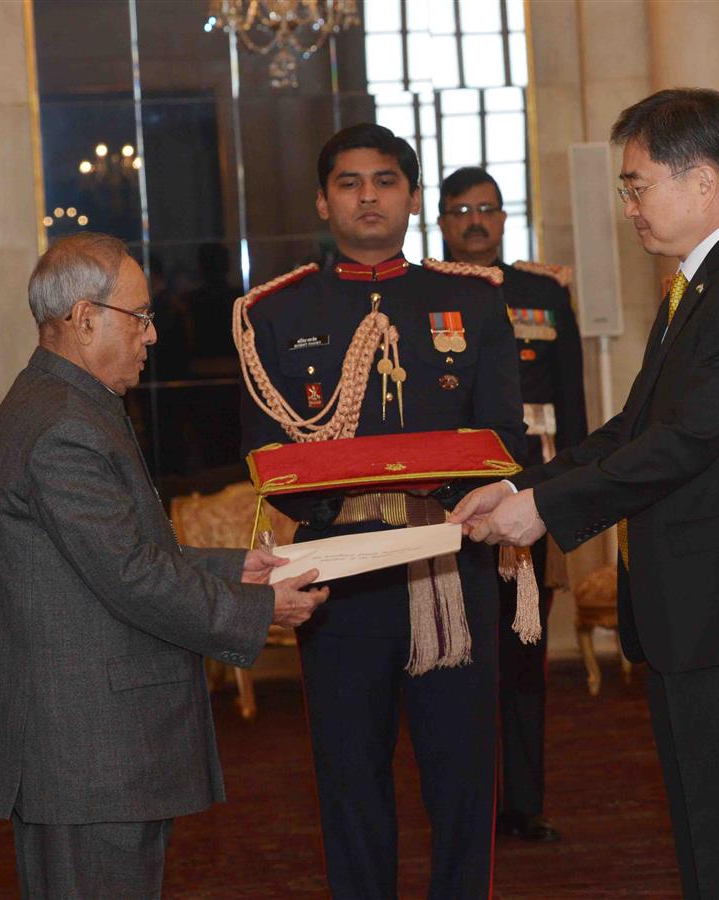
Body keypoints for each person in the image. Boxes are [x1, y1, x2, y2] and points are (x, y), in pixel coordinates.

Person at [451, 88, 719, 898]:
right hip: (700, 610)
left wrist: (544, 512)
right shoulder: (698, 284)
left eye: (636, 184)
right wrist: (518, 484)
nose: (629, 208)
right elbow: (632, 429)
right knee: (706, 838)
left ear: (700, 182)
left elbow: (687, 441)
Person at [0, 233, 328, 898]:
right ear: (85, 318)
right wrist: (261, 610)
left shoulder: (61, 402)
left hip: (84, 748)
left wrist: (233, 567)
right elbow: (133, 577)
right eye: (141, 317)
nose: (152, 336)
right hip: (88, 753)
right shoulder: (63, 425)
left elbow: (113, 554)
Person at [239, 123, 527, 898]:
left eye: (386, 180)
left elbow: (507, 435)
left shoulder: (469, 299)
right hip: (338, 570)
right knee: (349, 780)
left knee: (463, 779)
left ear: (411, 195)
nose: (368, 195)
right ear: (322, 200)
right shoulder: (274, 311)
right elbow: (269, 450)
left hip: (448, 561)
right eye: (349, 182)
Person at [438, 164, 588, 843]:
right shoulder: (426, 294)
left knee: (524, 655)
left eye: (488, 209)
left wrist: (573, 497)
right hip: (450, 506)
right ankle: (462, 805)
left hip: (531, 501)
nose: (476, 220)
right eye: (462, 208)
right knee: (455, 660)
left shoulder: (541, 294)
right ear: (440, 220)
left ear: (504, 219)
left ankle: (524, 802)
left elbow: (574, 405)